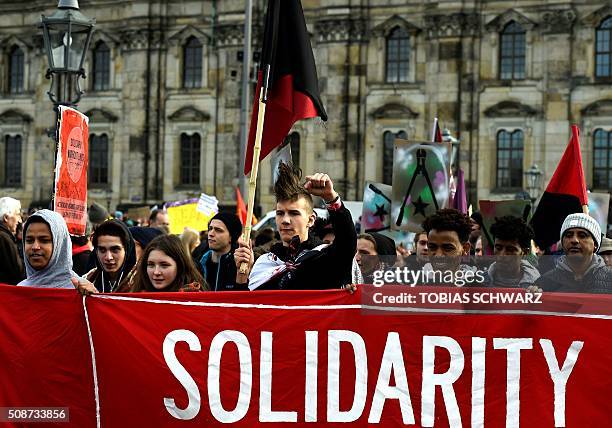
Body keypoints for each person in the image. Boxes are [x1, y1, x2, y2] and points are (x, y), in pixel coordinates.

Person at [235, 163, 357, 290]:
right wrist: (242, 275)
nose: (285, 220)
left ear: (311, 220)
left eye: (294, 213)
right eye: (280, 213)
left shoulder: (325, 258)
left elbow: (347, 240)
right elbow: (246, 308)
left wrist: (331, 198)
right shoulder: (264, 263)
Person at [533, 213, 612, 293]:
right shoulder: (544, 282)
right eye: (568, 235)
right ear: (562, 243)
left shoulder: (610, 279)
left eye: (582, 235)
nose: (574, 240)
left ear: (595, 244)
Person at [421, 208, 484, 286]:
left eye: (448, 248)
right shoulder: (416, 288)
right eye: (432, 247)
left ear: (465, 248)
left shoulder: (479, 293)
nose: (438, 255)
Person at [17, 209, 78, 289]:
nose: (35, 247)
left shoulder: (78, 290)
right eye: (29, 240)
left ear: (59, 245)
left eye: (44, 240)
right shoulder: (21, 289)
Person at [130, 235, 206, 292]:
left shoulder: (196, 301)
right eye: (151, 265)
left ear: (180, 266)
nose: (156, 272)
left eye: (164, 265)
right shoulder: (133, 299)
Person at [85, 219, 137, 293]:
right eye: (102, 250)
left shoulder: (140, 282)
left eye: (115, 250)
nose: (108, 257)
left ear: (127, 250)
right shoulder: (89, 280)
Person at [488, 216, 540, 288]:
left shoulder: (538, 285)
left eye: (510, 250)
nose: (502, 255)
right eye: (498, 248)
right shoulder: (479, 282)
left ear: (525, 252)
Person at [199, 212, 246, 291]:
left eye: (218, 230)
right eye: (210, 228)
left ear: (231, 236)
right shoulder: (197, 263)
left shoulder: (240, 265)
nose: (211, 234)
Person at [0, 197, 25, 284]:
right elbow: (18, 271)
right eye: (17, 214)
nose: (20, 220)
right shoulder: (4, 237)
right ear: (6, 218)